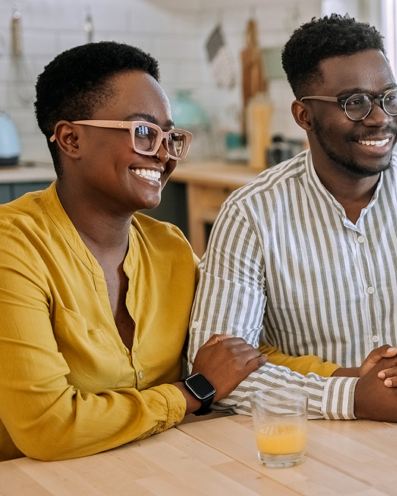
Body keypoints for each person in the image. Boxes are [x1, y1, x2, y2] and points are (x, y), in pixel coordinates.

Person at [187, 14, 397, 422]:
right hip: (302, 441)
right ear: (304, 115)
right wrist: (350, 397)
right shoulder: (251, 214)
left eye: (390, 96)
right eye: (355, 102)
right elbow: (215, 371)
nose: (380, 118)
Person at [0, 42, 264, 464]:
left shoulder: (170, 248)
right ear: (70, 139)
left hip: (149, 477)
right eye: (143, 133)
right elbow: (48, 426)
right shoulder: (13, 246)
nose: (163, 154)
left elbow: (238, 348)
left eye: (170, 136)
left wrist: (354, 381)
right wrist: (192, 392)